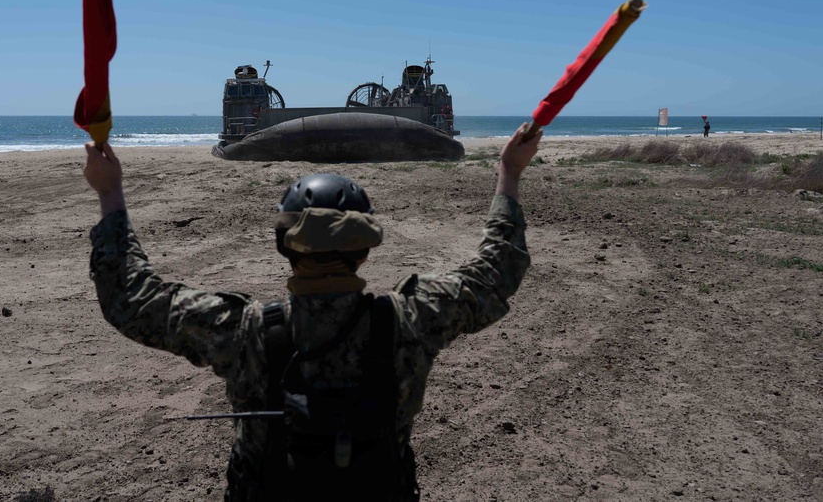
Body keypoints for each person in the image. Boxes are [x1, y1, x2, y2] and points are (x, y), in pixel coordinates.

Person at [83, 123, 541, 501]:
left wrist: (110, 193)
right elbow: (496, 270)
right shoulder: (414, 320)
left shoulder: (242, 330)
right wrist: (508, 173)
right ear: (364, 250)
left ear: (284, 244)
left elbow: (131, 296)